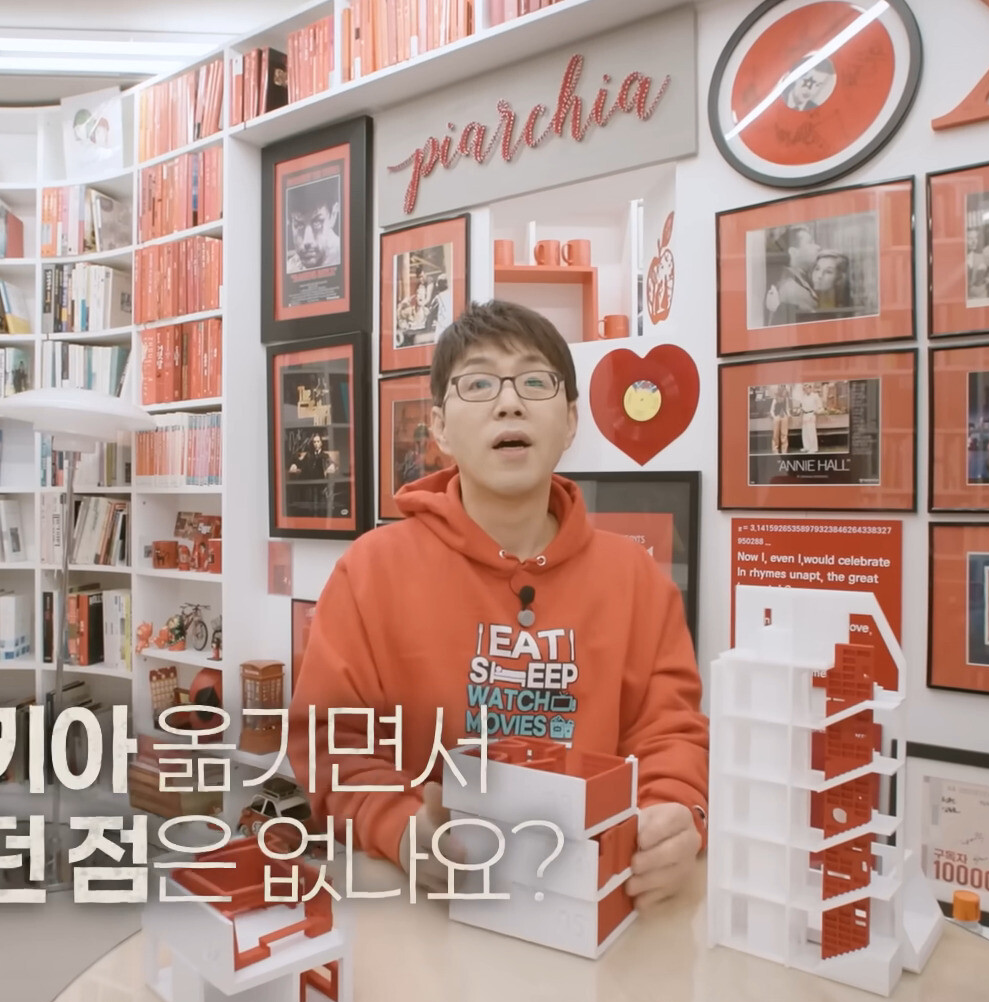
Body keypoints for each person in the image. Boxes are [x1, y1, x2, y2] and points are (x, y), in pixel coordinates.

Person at [287, 299, 710, 911]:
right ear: (439, 427)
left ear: (570, 421)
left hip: (597, 908)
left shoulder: (637, 579)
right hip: (429, 916)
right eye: (479, 383)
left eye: (534, 382)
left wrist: (675, 813)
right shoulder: (370, 572)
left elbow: (669, 733)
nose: (509, 402)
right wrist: (401, 829)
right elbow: (334, 742)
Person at [285, 180, 342, 273]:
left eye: (317, 223)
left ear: (333, 215)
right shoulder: (290, 268)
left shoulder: (349, 257)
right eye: (299, 225)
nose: (307, 241)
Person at [798, 383, 821, 453]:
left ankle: (813, 448)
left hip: (811, 414)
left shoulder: (815, 396)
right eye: (805, 389)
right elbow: (802, 406)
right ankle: (806, 447)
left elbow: (820, 406)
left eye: (808, 388)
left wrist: (816, 412)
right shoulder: (803, 397)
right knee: (805, 432)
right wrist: (800, 411)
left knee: (811, 432)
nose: (806, 390)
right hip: (805, 415)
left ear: (811, 388)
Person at [769, 385, 791, 455]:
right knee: (775, 434)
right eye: (784, 391)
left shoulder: (786, 399)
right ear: (780, 391)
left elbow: (787, 408)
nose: (785, 392)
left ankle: (784, 450)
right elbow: (771, 410)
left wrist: (788, 415)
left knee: (784, 434)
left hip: (784, 417)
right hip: (777, 417)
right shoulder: (775, 399)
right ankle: (775, 450)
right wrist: (774, 417)